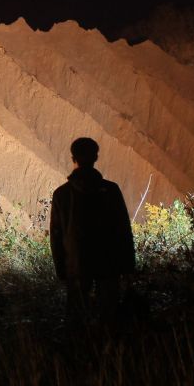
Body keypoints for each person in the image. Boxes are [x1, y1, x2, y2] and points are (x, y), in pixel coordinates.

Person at [49, 137, 136, 325]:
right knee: (109, 318)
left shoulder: (61, 194)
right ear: (96, 157)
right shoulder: (111, 190)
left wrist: (62, 270)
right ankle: (109, 351)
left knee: (77, 319)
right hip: (109, 264)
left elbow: (56, 236)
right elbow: (123, 230)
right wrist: (128, 267)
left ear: (73, 158)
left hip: (76, 265)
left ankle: (80, 351)